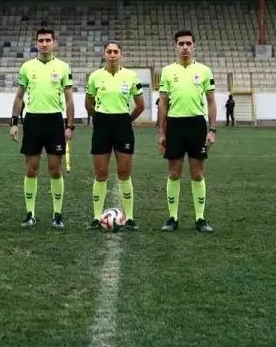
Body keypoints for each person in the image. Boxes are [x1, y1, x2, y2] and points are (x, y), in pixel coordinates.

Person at [10, 28, 75, 229]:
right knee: (31, 169)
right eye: (41, 40)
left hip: (54, 121)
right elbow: (19, 97)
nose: (44, 43)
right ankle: (30, 214)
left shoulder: (63, 67)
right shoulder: (27, 67)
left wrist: (70, 125)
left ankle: (57, 214)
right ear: (36, 43)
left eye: (48, 40)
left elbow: (69, 100)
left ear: (54, 42)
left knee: (55, 169)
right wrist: (14, 123)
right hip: (32, 121)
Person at [157, 30, 216, 233]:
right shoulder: (167, 71)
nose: (184, 47)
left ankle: (200, 219)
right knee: (174, 173)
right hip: (174, 124)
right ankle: (172, 218)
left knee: (197, 173)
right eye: (181, 43)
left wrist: (212, 129)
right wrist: (162, 132)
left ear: (194, 46)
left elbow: (211, 102)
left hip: (196, 125)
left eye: (188, 43)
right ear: (175, 46)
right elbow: (163, 103)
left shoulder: (204, 71)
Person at [85, 41, 145, 229]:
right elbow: (88, 103)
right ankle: (96, 218)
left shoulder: (131, 76)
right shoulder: (95, 76)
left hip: (122, 126)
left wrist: (126, 120)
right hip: (102, 126)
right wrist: (98, 118)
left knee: (124, 172)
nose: (112, 55)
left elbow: (140, 105)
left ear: (120, 54)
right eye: (109, 51)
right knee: (101, 173)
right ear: (104, 54)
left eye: (115, 51)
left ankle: (130, 218)